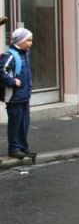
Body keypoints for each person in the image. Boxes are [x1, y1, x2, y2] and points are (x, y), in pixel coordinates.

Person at [0, 28, 35, 159]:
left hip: (24, 96)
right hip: (14, 97)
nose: (31, 43)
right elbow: (1, 70)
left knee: (24, 123)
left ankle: (23, 147)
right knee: (15, 123)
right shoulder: (10, 55)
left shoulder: (24, 54)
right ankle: (13, 148)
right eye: (28, 40)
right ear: (20, 41)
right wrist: (12, 81)